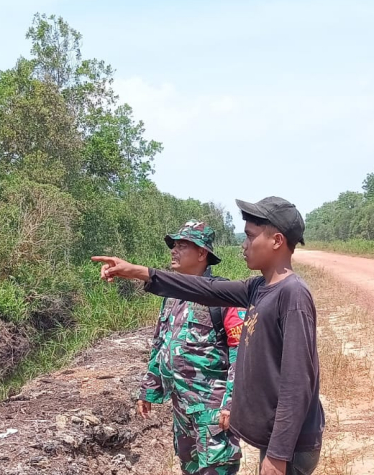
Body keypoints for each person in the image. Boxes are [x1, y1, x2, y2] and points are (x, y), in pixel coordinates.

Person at [93, 197, 324, 475]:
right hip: (276, 439)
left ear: (276, 240)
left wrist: (277, 455)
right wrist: (136, 272)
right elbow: (205, 290)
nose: (244, 244)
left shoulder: (293, 294)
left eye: (250, 236)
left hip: (292, 445)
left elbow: (297, 382)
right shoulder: (258, 288)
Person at [137, 219, 246, 475]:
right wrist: (149, 389)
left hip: (213, 411)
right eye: (173, 245)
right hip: (182, 408)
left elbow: (241, 355)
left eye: (182, 245)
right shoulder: (171, 296)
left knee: (216, 469)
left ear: (201, 253)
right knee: (190, 468)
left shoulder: (224, 294)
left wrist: (232, 404)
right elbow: (161, 345)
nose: (173, 251)